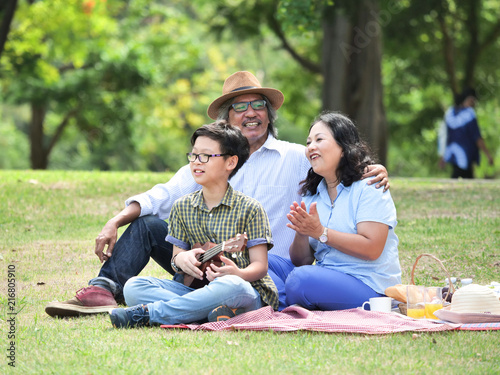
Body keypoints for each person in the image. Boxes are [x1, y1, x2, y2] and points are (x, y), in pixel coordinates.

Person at [45, 71, 389, 318]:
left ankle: (166, 310)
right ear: (228, 120)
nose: (251, 112)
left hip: (265, 271)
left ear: (268, 115)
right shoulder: (210, 160)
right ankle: (104, 288)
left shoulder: (296, 158)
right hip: (209, 261)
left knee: (260, 284)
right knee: (149, 225)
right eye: (240, 107)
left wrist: (373, 169)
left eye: (258, 105)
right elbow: (162, 194)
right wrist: (115, 220)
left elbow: (335, 160)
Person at [109, 122, 278, 328]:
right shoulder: (182, 207)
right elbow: (175, 259)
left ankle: (151, 314)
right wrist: (183, 258)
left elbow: (260, 267)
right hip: (197, 292)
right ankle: (205, 312)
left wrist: (239, 273)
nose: (197, 162)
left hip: (243, 291)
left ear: (231, 162)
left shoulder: (251, 208)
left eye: (206, 156)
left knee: (230, 285)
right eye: (194, 155)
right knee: (134, 286)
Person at [284, 112, 401, 310]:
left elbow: (372, 249)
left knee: (300, 280)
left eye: (319, 139)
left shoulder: (369, 186)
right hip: (326, 276)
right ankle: (279, 298)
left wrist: (321, 232)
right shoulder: (313, 194)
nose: (311, 146)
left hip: (368, 286)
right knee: (266, 265)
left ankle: (278, 299)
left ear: (344, 147)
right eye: (308, 142)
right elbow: (301, 260)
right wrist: (302, 231)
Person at [440, 88, 494, 179]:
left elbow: (443, 136)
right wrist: (487, 154)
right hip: (465, 153)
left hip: (451, 153)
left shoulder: (450, 113)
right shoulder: (469, 114)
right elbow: (477, 137)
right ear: (470, 99)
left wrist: (442, 155)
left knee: (459, 175)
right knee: (464, 176)